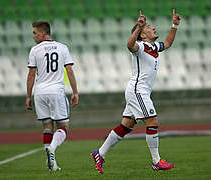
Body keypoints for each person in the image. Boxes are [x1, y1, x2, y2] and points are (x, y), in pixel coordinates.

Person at [91, 9, 181, 174]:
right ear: (142, 35)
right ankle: (156, 161)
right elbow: (129, 45)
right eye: (148, 27)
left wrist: (174, 25)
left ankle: (100, 153)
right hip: (138, 91)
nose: (153, 27)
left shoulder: (153, 47)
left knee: (126, 126)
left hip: (138, 91)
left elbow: (167, 43)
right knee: (152, 122)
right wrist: (138, 27)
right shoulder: (140, 46)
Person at [26, 21, 79, 171]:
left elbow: (31, 75)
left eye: (35, 33)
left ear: (43, 33)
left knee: (47, 126)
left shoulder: (35, 50)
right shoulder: (62, 48)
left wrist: (28, 96)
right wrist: (75, 92)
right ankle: (53, 149)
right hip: (56, 91)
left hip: (40, 92)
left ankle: (53, 165)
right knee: (63, 126)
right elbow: (69, 71)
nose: (33, 36)